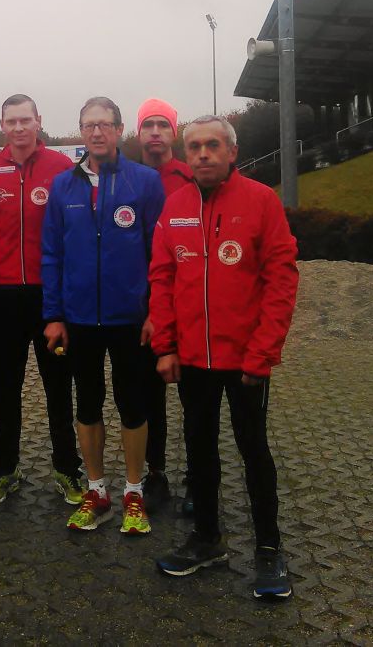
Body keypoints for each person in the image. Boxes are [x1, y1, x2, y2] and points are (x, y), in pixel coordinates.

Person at [149, 115, 299, 599]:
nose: (202, 154)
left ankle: (269, 549)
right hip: (192, 359)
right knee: (199, 450)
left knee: (254, 451)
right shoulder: (175, 206)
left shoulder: (261, 201)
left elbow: (281, 279)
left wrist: (263, 353)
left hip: (245, 362)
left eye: (212, 145)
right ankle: (207, 539)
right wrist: (165, 346)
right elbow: (162, 278)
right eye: (194, 147)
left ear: (232, 152)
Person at [40, 97, 164, 535]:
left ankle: (134, 491)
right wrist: (54, 315)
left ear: (119, 129)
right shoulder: (63, 186)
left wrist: (155, 311)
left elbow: (160, 255)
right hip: (78, 319)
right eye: (89, 125)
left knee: (133, 405)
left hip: (129, 318)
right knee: (88, 404)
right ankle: (96, 489)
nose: (96, 132)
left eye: (105, 125)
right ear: (81, 130)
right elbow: (51, 254)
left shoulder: (145, 182)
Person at [0, 95, 84, 507]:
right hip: (1, 297)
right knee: (4, 389)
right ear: (2, 125)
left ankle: (67, 468)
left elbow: (74, 231)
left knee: (59, 387)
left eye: (26, 120)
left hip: (49, 296)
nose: (19, 128)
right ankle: (5, 468)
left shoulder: (62, 167)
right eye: (11, 121)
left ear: (39, 121)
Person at [135, 98, 195, 515]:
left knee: (195, 399)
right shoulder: (125, 178)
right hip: (140, 310)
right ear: (138, 132)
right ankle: (155, 473)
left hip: (188, 307)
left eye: (162, 124)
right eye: (148, 125)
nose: (155, 131)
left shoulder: (193, 178)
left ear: (174, 131)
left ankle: (198, 475)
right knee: (148, 396)